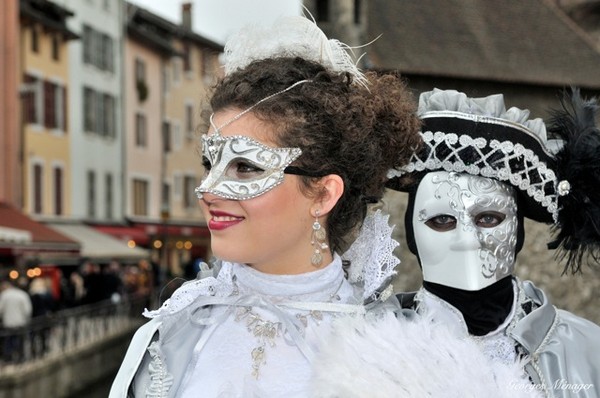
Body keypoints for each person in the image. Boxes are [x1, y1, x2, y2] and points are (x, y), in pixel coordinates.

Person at [110, 16, 421, 397]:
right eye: (210, 163)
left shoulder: (391, 351)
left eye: (245, 167)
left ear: (324, 194)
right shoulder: (176, 330)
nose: (208, 189)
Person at [386, 88, 600, 396]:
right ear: (412, 234)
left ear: (517, 230)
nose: (467, 241)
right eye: (442, 220)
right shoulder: (369, 345)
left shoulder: (585, 351)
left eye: (488, 219)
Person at [0, 279, 32, 362]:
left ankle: (8, 358)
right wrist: (26, 320)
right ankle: (20, 358)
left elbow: (0, 310)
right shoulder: (23, 295)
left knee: (8, 341)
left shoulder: (4, 295)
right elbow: (27, 310)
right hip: (20, 322)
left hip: (8, 323)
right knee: (20, 341)